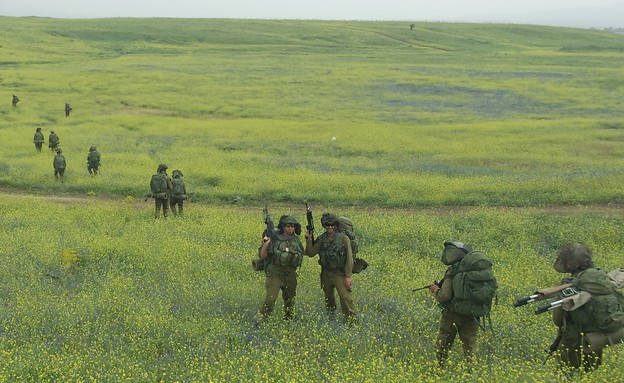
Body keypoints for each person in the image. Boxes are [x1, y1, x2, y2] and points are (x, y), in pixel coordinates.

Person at [551, 243, 624, 373]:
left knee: (564, 374)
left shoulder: (568, 288)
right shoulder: (603, 281)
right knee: (590, 374)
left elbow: (557, 320)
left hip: (572, 341)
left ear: (570, 263)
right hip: (595, 340)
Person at [429, 241, 480, 367]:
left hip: (453, 314)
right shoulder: (477, 270)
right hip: (472, 314)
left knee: (443, 343)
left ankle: (440, 368)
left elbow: (444, 295)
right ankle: (472, 372)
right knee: (469, 346)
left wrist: (435, 289)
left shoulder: (454, 271)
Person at [305, 213, 356, 324]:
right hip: (326, 273)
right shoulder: (322, 238)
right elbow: (311, 253)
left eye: (332, 225)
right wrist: (308, 239)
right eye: (327, 225)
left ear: (336, 225)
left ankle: (351, 322)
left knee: (346, 298)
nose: (330, 227)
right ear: (324, 226)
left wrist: (348, 276)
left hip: (339, 274)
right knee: (329, 298)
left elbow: (349, 258)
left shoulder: (343, 239)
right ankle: (331, 319)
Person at [253, 215, 304, 325]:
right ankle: (259, 320)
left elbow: (304, 253)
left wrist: (309, 238)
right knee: (270, 300)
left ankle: (289, 322)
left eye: (292, 226)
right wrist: (265, 244)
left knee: (290, 301)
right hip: (275, 274)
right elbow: (262, 256)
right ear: (283, 227)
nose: (290, 228)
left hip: (290, 275)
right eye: (288, 226)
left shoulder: (296, 240)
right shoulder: (274, 239)